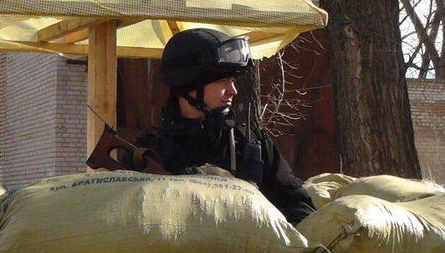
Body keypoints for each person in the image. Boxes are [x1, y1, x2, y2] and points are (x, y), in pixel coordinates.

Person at [134, 28, 315, 225]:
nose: (233, 91)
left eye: (233, 81)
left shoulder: (252, 146)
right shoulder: (148, 153)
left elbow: (299, 206)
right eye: (222, 81)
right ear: (188, 85)